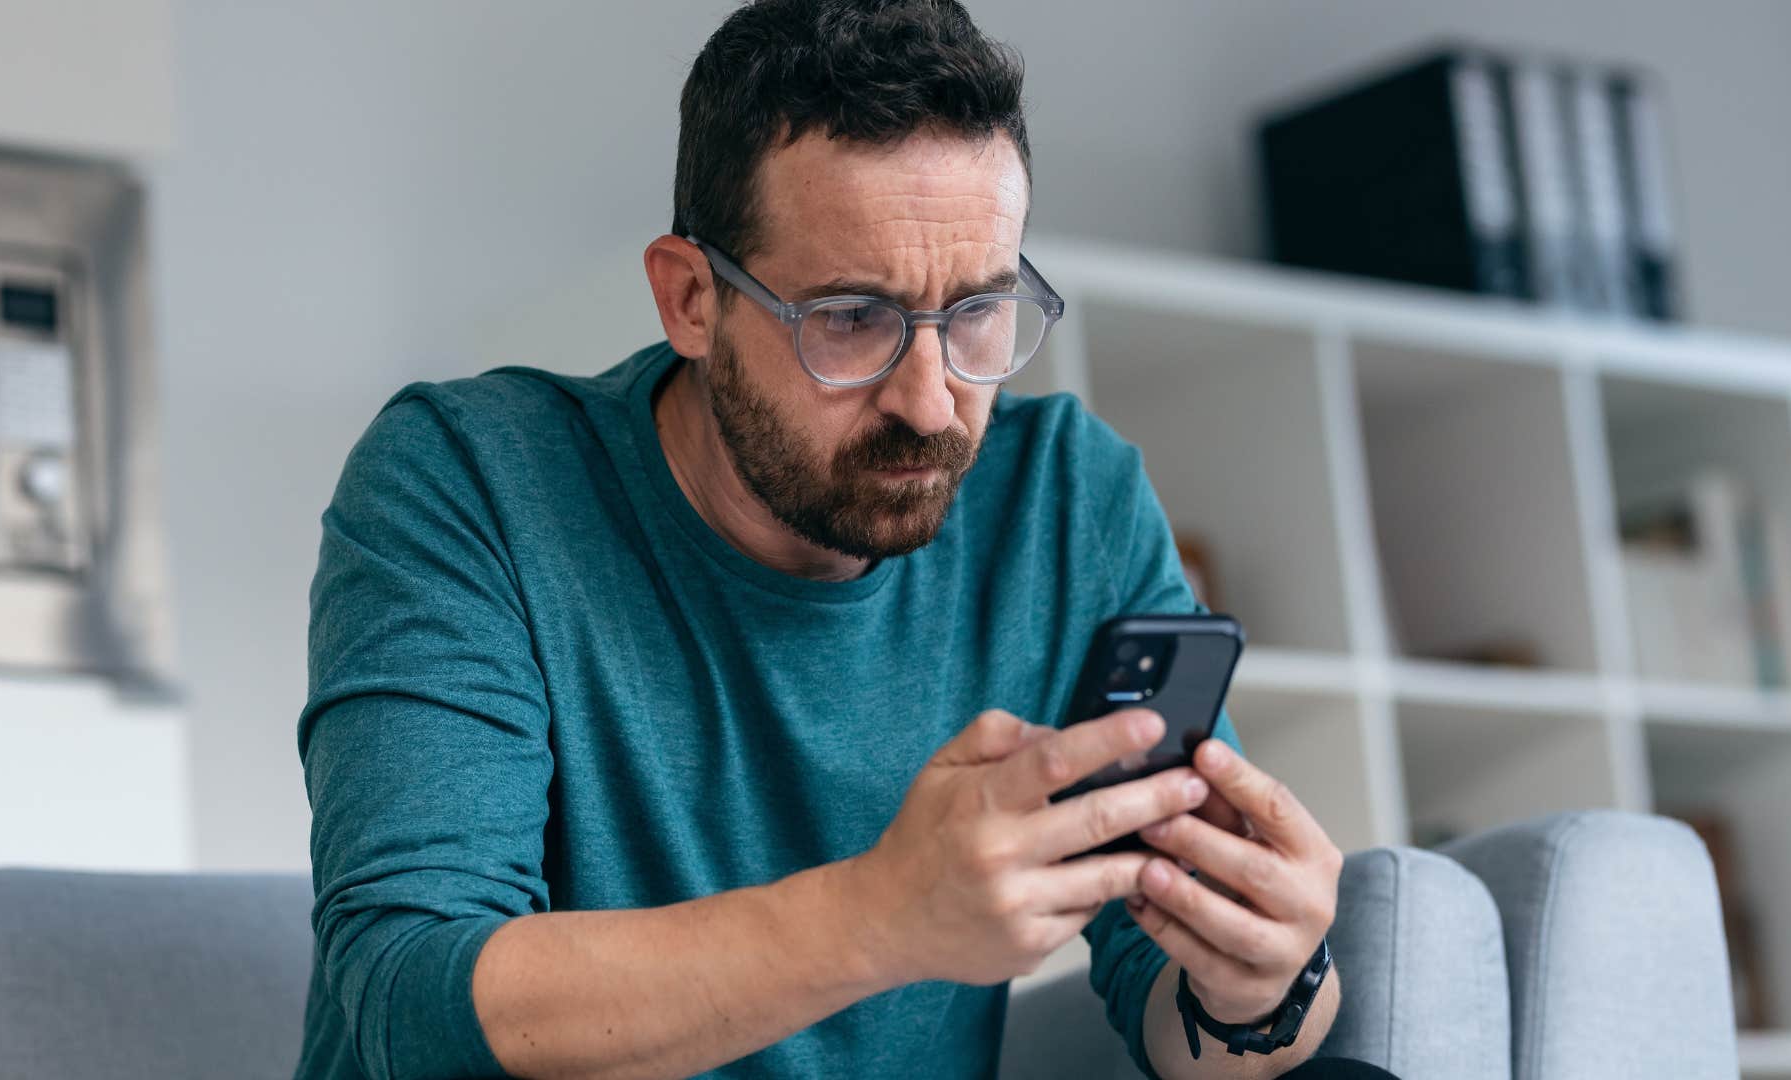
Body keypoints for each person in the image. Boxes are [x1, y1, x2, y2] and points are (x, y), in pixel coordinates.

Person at [295, 2, 1396, 1077]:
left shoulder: (1068, 498)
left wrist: (1261, 984)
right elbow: (411, 999)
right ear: (690, 300)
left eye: (978, 312)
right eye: (851, 318)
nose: (932, 401)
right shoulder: (469, 481)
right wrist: (882, 915)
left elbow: (1181, 1022)